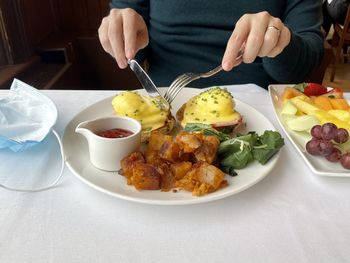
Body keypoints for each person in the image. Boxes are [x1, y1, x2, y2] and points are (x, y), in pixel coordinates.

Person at [98, 1, 324, 89]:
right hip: (165, 102)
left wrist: (280, 43)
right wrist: (121, 36)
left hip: (259, 115)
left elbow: (303, 66)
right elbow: (135, 53)